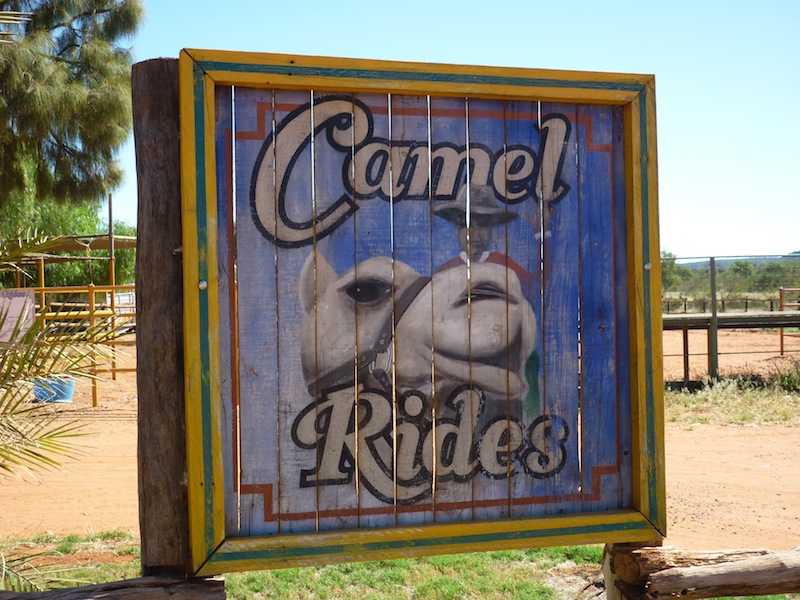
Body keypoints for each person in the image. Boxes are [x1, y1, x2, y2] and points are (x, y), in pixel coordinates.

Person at [434, 183, 530, 289]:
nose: (476, 235)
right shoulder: (444, 272)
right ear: (457, 230)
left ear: (492, 230)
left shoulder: (503, 264)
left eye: (483, 225)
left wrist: (543, 235)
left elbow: (535, 284)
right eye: (467, 224)